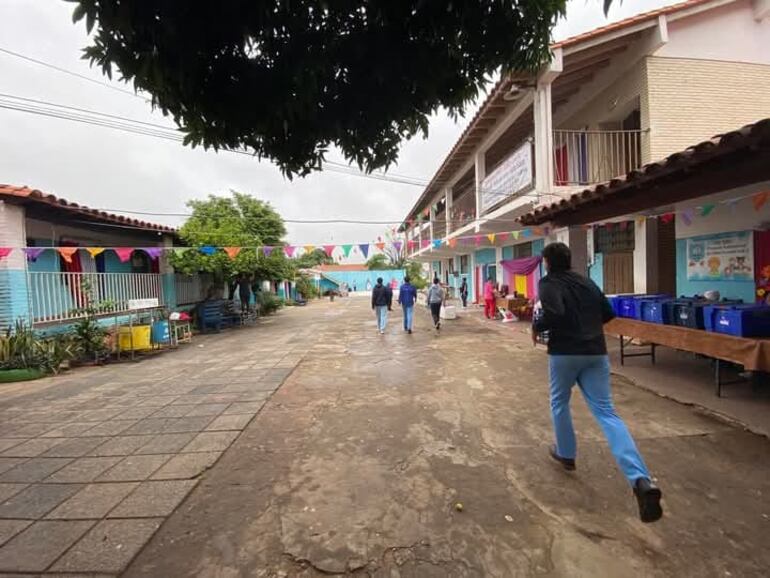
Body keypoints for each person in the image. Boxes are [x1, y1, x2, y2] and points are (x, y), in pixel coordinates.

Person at [533, 242, 662, 523]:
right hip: (596, 353)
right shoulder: (588, 282)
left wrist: (537, 326)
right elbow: (608, 313)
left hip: (565, 353)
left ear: (547, 262)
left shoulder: (548, 282)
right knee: (607, 412)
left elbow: (554, 313)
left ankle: (566, 454)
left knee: (559, 403)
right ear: (569, 260)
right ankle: (640, 480)